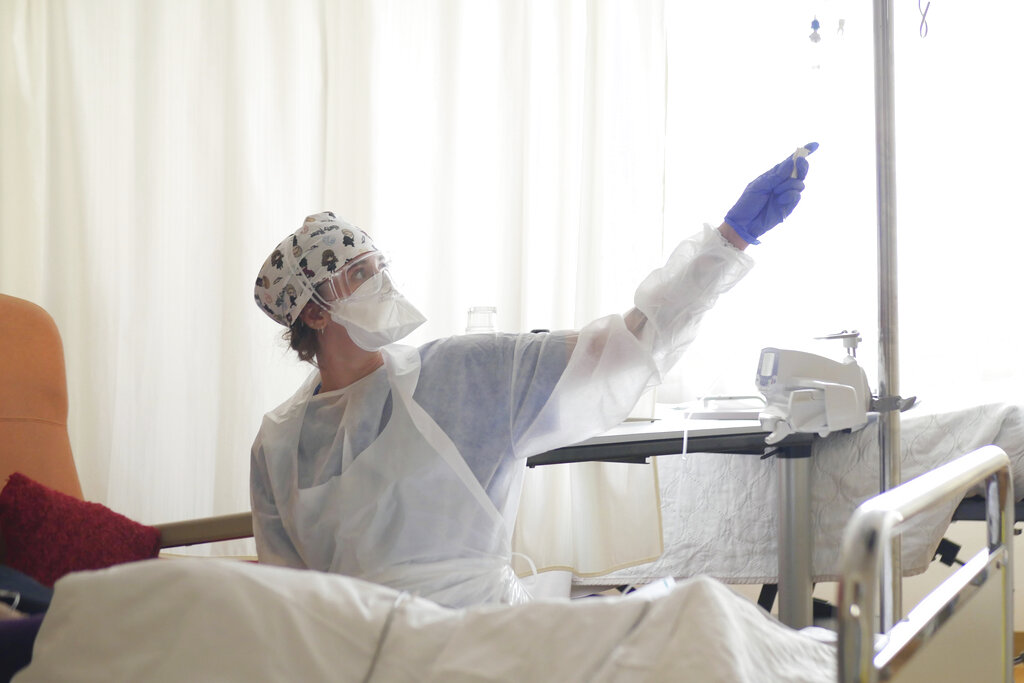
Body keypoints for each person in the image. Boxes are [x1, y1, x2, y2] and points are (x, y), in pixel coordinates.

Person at [250, 143, 818, 609]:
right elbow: (289, 600)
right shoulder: (277, 443)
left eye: (381, 269)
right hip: (358, 658)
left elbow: (624, 345)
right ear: (315, 312)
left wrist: (728, 241)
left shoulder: (460, 374)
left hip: (485, 644)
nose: (385, 286)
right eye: (359, 275)